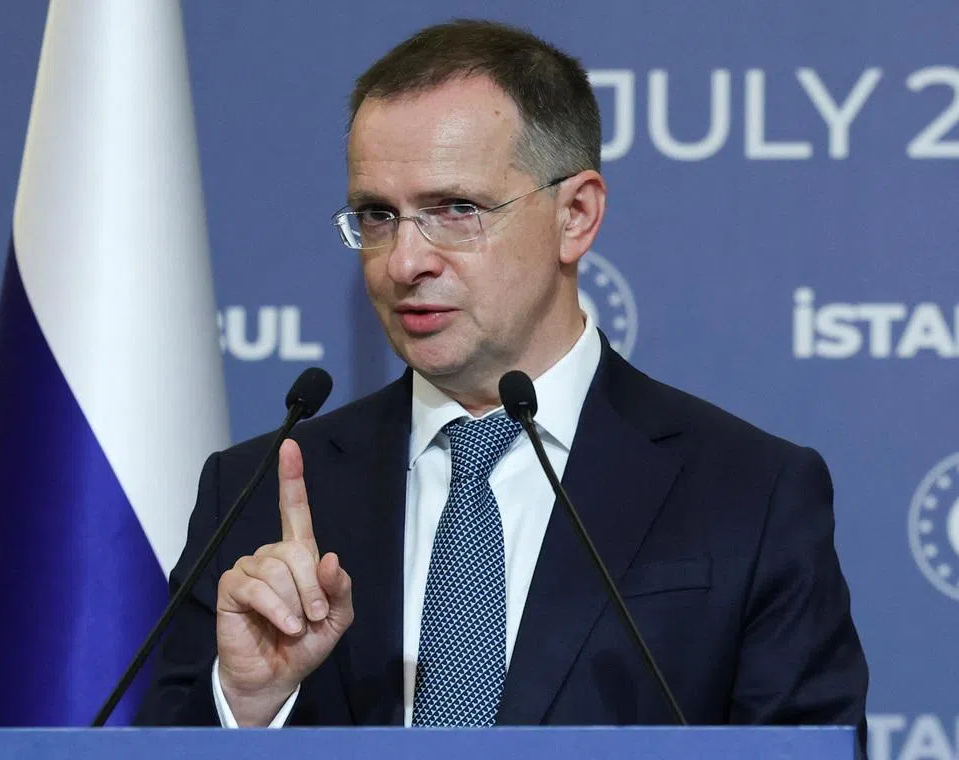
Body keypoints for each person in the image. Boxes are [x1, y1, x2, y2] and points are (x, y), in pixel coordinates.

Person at [136, 17, 869, 751]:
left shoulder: (751, 490)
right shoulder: (257, 490)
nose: (403, 262)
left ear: (575, 215)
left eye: (456, 209)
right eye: (379, 216)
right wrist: (248, 703)